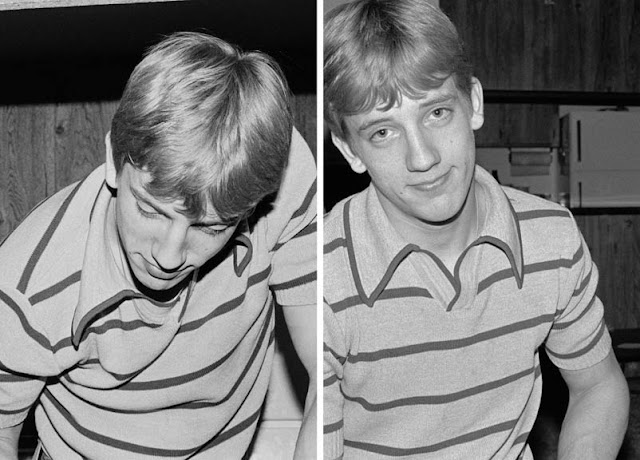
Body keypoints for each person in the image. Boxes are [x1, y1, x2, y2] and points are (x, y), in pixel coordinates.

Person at [322, 1, 629, 459]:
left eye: (437, 113)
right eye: (382, 132)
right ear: (349, 150)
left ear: (474, 104)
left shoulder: (552, 237)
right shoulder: (323, 274)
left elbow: (597, 385)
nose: (422, 158)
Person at [0, 31, 316, 459]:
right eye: (150, 210)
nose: (168, 257)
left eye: (210, 227)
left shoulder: (275, 171)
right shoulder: (26, 290)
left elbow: (329, 371)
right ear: (113, 160)